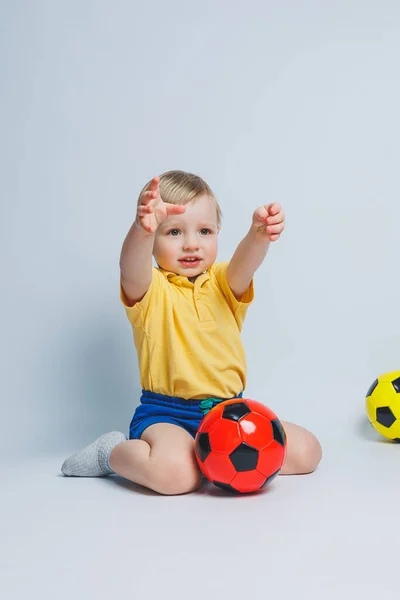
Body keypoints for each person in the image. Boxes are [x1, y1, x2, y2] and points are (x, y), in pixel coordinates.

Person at [61, 170, 322, 494]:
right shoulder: (151, 290)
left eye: (204, 231)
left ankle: (211, 461)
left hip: (230, 412)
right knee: (176, 477)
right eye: (172, 232)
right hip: (167, 414)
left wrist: (258, 236)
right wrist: (141, 231)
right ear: (154, 240)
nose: (191, 244)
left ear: (217, 233)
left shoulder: (222, 284)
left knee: (308, 452)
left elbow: (245, 263)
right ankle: (110, 453)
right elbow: (130, 267)